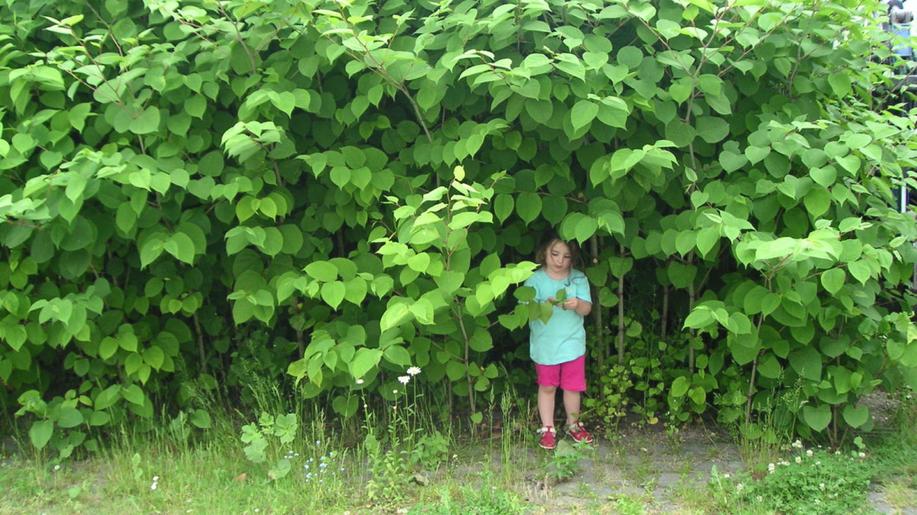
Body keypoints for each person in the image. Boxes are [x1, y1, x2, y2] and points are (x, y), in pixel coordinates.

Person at [523, 235, 594, 450]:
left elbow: (587, 309)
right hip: (545, 345)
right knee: (547, 387)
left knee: (573, 387)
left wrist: (577, 304)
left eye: (566, 256)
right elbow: (525, 310)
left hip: (572, 343)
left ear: (572, 259)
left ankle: (573, 425)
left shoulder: (578, 279)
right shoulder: (534, 280)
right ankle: (547, 428)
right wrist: (542, 304)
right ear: (544, 252)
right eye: (554, 254)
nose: (559, 260)